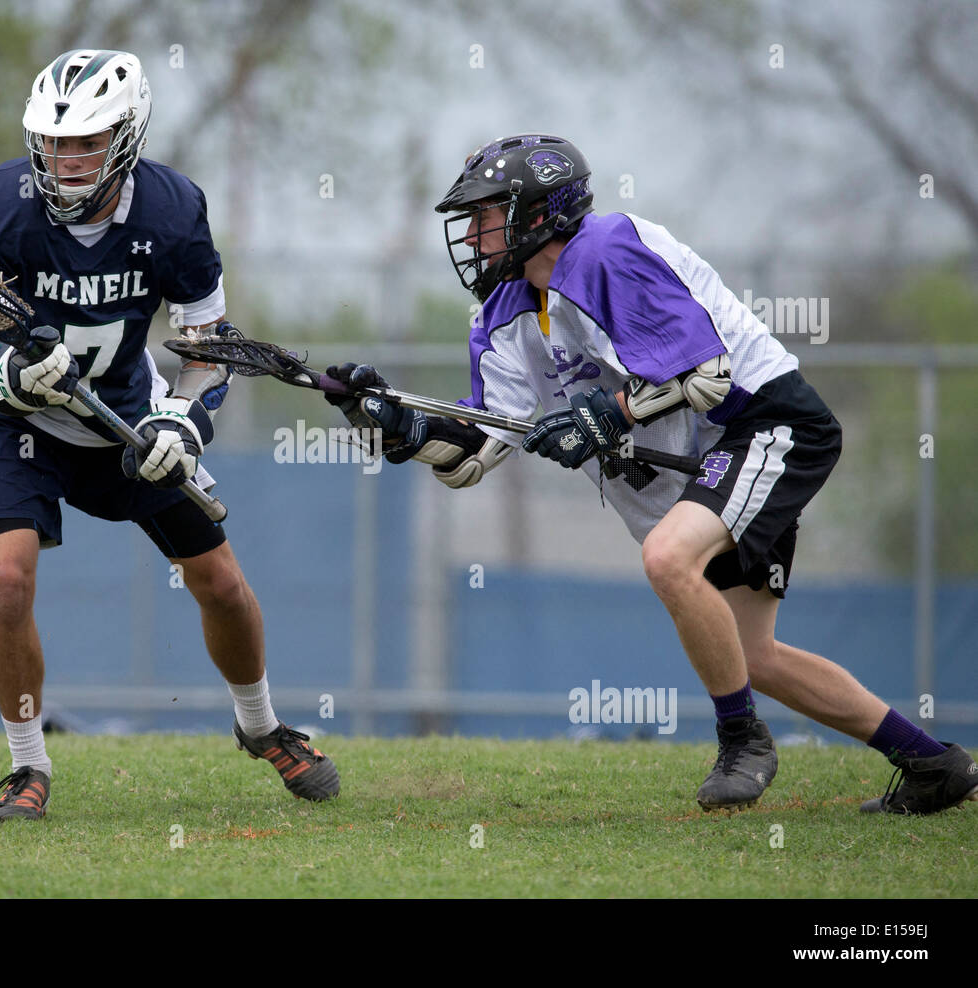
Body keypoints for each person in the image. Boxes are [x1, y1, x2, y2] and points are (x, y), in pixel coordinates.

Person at [324, 133, 976, 814]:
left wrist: (605, 416)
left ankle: (742, 741)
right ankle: (933, 765)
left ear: (538, 211)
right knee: (753, 656)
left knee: (669, 559)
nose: (472, 232)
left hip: (763, 426)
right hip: (703, 464)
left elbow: (706, 373)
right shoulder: (502, 313)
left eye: (486, 213)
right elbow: (472, 455)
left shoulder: (605, 252)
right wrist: (391, 423)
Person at [0, 49, 338, 820]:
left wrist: (182, 423)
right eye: (55, 141)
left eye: (87, 140)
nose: (68, 157)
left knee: (219, 581)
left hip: (124, 414)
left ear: (127, 135)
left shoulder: (172, 211)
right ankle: (28, 765)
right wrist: (10, 374)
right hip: (11, 416)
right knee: (8, 578)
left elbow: (207, 350)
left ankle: (260, 726)